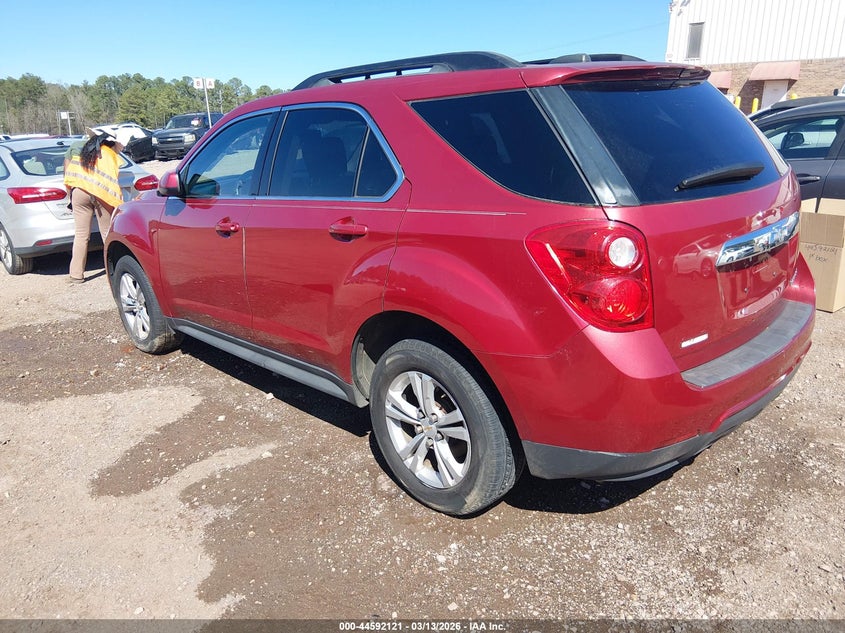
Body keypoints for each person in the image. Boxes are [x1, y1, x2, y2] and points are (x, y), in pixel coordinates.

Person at [63, 129, 124, 283]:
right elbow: (113, 179)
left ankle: (76, 275)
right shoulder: (109, 154)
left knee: (81, 234)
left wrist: (70, 194)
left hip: (79, 192)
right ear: (110, 142)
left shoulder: (82, 151)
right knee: (107, 234)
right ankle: (115, 272)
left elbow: (68, 172)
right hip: (102, 195)